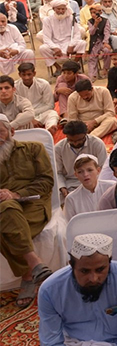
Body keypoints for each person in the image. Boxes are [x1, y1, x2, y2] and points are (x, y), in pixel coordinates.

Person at [1, 113, 55, 308]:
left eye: (0, 132)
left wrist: (16, 193)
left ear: (11, 131)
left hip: (34, 204)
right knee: (6, 209)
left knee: (4, 224)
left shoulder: (34, 149)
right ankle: (35, 264)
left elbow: (46, 181)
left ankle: (27, 274)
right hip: (5, 208)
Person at [40, 0, 86, 66]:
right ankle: (58, 68)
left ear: (65, 9)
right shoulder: (48, 20)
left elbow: (77, 34)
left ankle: (74, 65)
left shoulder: (71, 18)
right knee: (43, 48)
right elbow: (46, 37)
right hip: (55, 44)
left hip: (69, 43)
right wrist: (54, 47)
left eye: (63, 9)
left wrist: (71, 45)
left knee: (82, 43)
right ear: (53, 9)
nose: (61, 11)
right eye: (58, 9)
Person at [15, 62, 59, 131]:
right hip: (23, 115)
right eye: (24, 75)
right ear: (19, 75)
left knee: (52, 114)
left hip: (42, 113)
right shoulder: (15, 86)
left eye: (29, 74)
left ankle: (50, 129)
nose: (26, 77)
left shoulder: (44, 84)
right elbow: (15, 107)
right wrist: (29, 118)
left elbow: (50, 105)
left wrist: (31, 114)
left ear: (34, 73)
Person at [63, 154, 107, 221]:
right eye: (80, 172)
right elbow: (68, 223)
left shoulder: (110, 187)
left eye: (89, 170)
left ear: (98, 171)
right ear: (76, 175)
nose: (85, 175)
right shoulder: (71, 199)